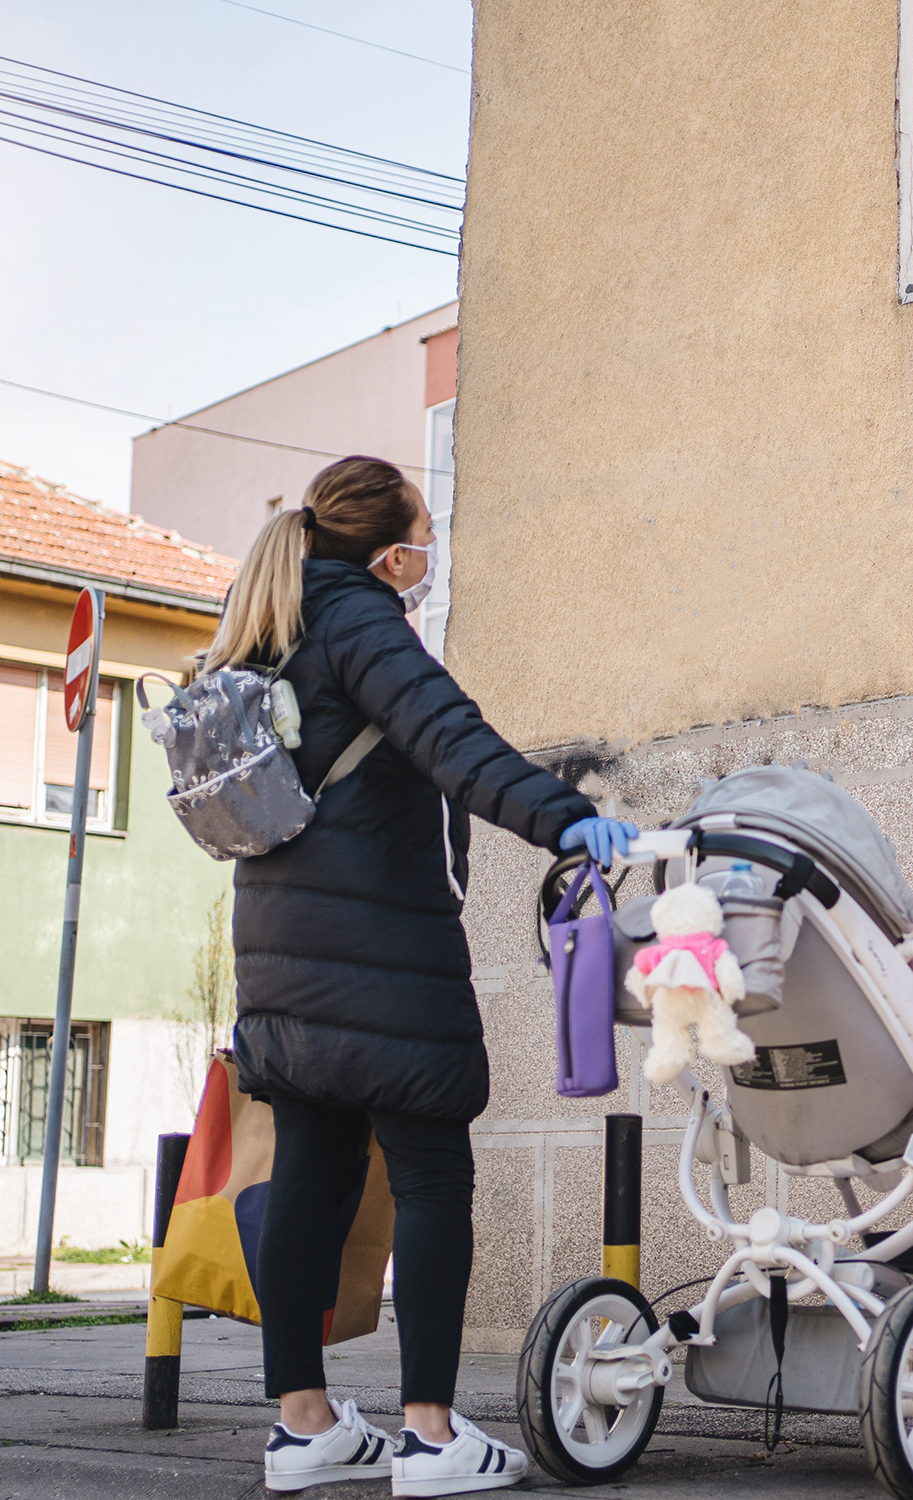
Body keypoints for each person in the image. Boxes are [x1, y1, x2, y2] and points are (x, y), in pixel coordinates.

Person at [205, 456, 640, 1496]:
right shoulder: (361, 622)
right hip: (383, 955)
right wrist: (568, 820)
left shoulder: (269, 627)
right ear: (389, 551)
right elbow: (452, 740)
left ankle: (302, 1426)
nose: (429, 558)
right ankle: (433, 1434)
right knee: (432, 1178)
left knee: (309, 1179)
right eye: (424, 537)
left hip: (280, 957)